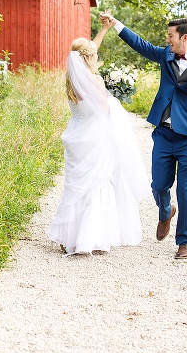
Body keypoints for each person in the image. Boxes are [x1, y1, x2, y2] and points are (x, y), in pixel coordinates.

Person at [99, 12, 187, 259]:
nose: (167, 40)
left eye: (170, 36)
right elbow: (140, 45)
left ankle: (185, 242)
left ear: (184, 37)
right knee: (158, 185)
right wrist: (116, 24)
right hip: (164, 135)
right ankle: (165, 210)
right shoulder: (165, 55)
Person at [47, 32, 151, 255]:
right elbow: (104, 110)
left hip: (76, 134)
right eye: (94, 55)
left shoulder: (71, 79)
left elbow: (85, 106)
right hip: (95, 136)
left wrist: (103, 30)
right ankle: (93, 237)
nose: (96, 58)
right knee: (97, 184)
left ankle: (70, 235)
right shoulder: (94, 80)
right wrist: (114, 97)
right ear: (89, 58)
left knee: (76, 186)